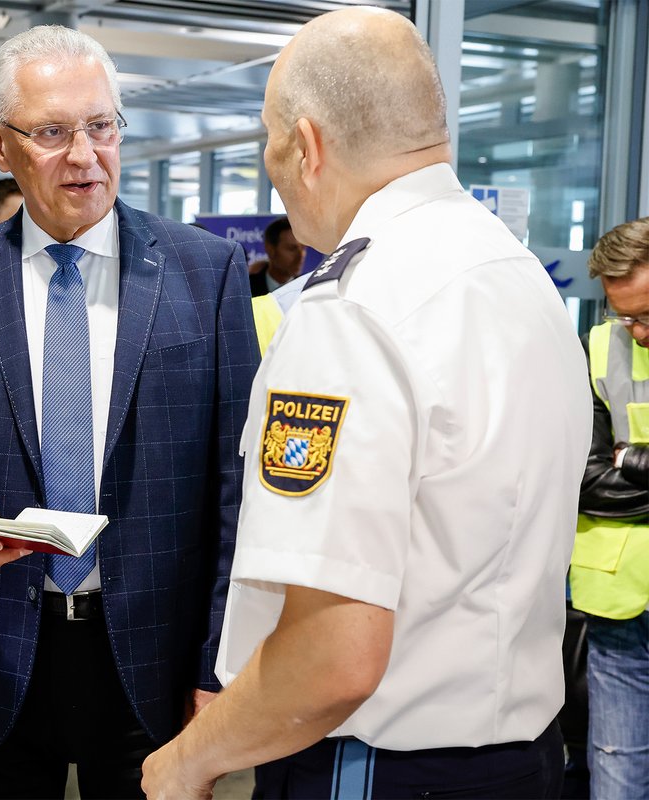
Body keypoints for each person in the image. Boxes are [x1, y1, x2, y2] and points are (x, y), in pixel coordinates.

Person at [141, 8, 592, 799]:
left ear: (308, 147)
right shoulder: (519, 277)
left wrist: (188, 761)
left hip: (379, 767)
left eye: (271, 147)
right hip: (525, 758)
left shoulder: (351, 308)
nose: (274, 173)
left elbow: (333, 654)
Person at [0, 24, 256, 800]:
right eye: (51, 132)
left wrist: (217, 665)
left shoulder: (204, 272)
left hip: (153, 659)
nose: (84, 155)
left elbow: (237, 488)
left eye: (100, 126)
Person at [573, 216, 649, 800]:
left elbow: (615, 465)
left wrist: (631, 457)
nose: (637, 331)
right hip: (619, 607)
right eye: (624, 315)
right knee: (616, 773)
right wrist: (616, 461)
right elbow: (585, 478)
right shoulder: (598, 348)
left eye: (647, 314)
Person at [247, 215, 305, 296]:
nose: (301, 255)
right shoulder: (245, 288)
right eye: (292, 248)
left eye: (303, 248)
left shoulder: (308, 289)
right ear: (271, 250)